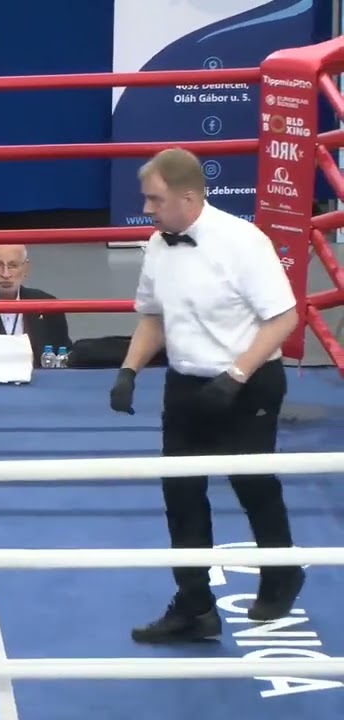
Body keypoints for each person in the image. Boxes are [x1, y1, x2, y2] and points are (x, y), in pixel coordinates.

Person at [110, 147, 305, 644]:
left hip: (249, 379)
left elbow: (284, 317)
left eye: (155, 200)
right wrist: (129, 370)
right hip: (186, 383)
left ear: (189, 198)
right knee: (181, 494)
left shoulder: (243, 242)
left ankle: (282, 573)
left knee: (252, 484)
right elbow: (153, 316)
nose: (147, 209)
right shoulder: (158, 245)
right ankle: (195, 606)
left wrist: (236, 375)